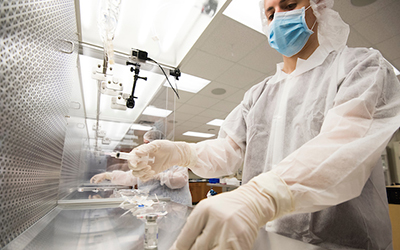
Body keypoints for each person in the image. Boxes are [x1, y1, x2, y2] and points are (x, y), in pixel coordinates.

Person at [126, 0, 400, 249]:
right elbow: (228, 150)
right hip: (269, 239)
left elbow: (344, 148)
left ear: (319, 7)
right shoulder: (258, 94)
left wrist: (260, 197)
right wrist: (182, 152)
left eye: (289, 5)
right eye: (270, 13)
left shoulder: (360, 67)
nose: (278, 17)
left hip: (344, 243)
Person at [90, 130, 192, 207]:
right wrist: (107, 175)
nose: (145, 146)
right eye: (144, 143)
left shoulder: (175, 156)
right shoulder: (147, 159)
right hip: (153, 208)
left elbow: (181, 180)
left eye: (148, 144)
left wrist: (157, 175)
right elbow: (130, 177)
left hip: (176, 208)